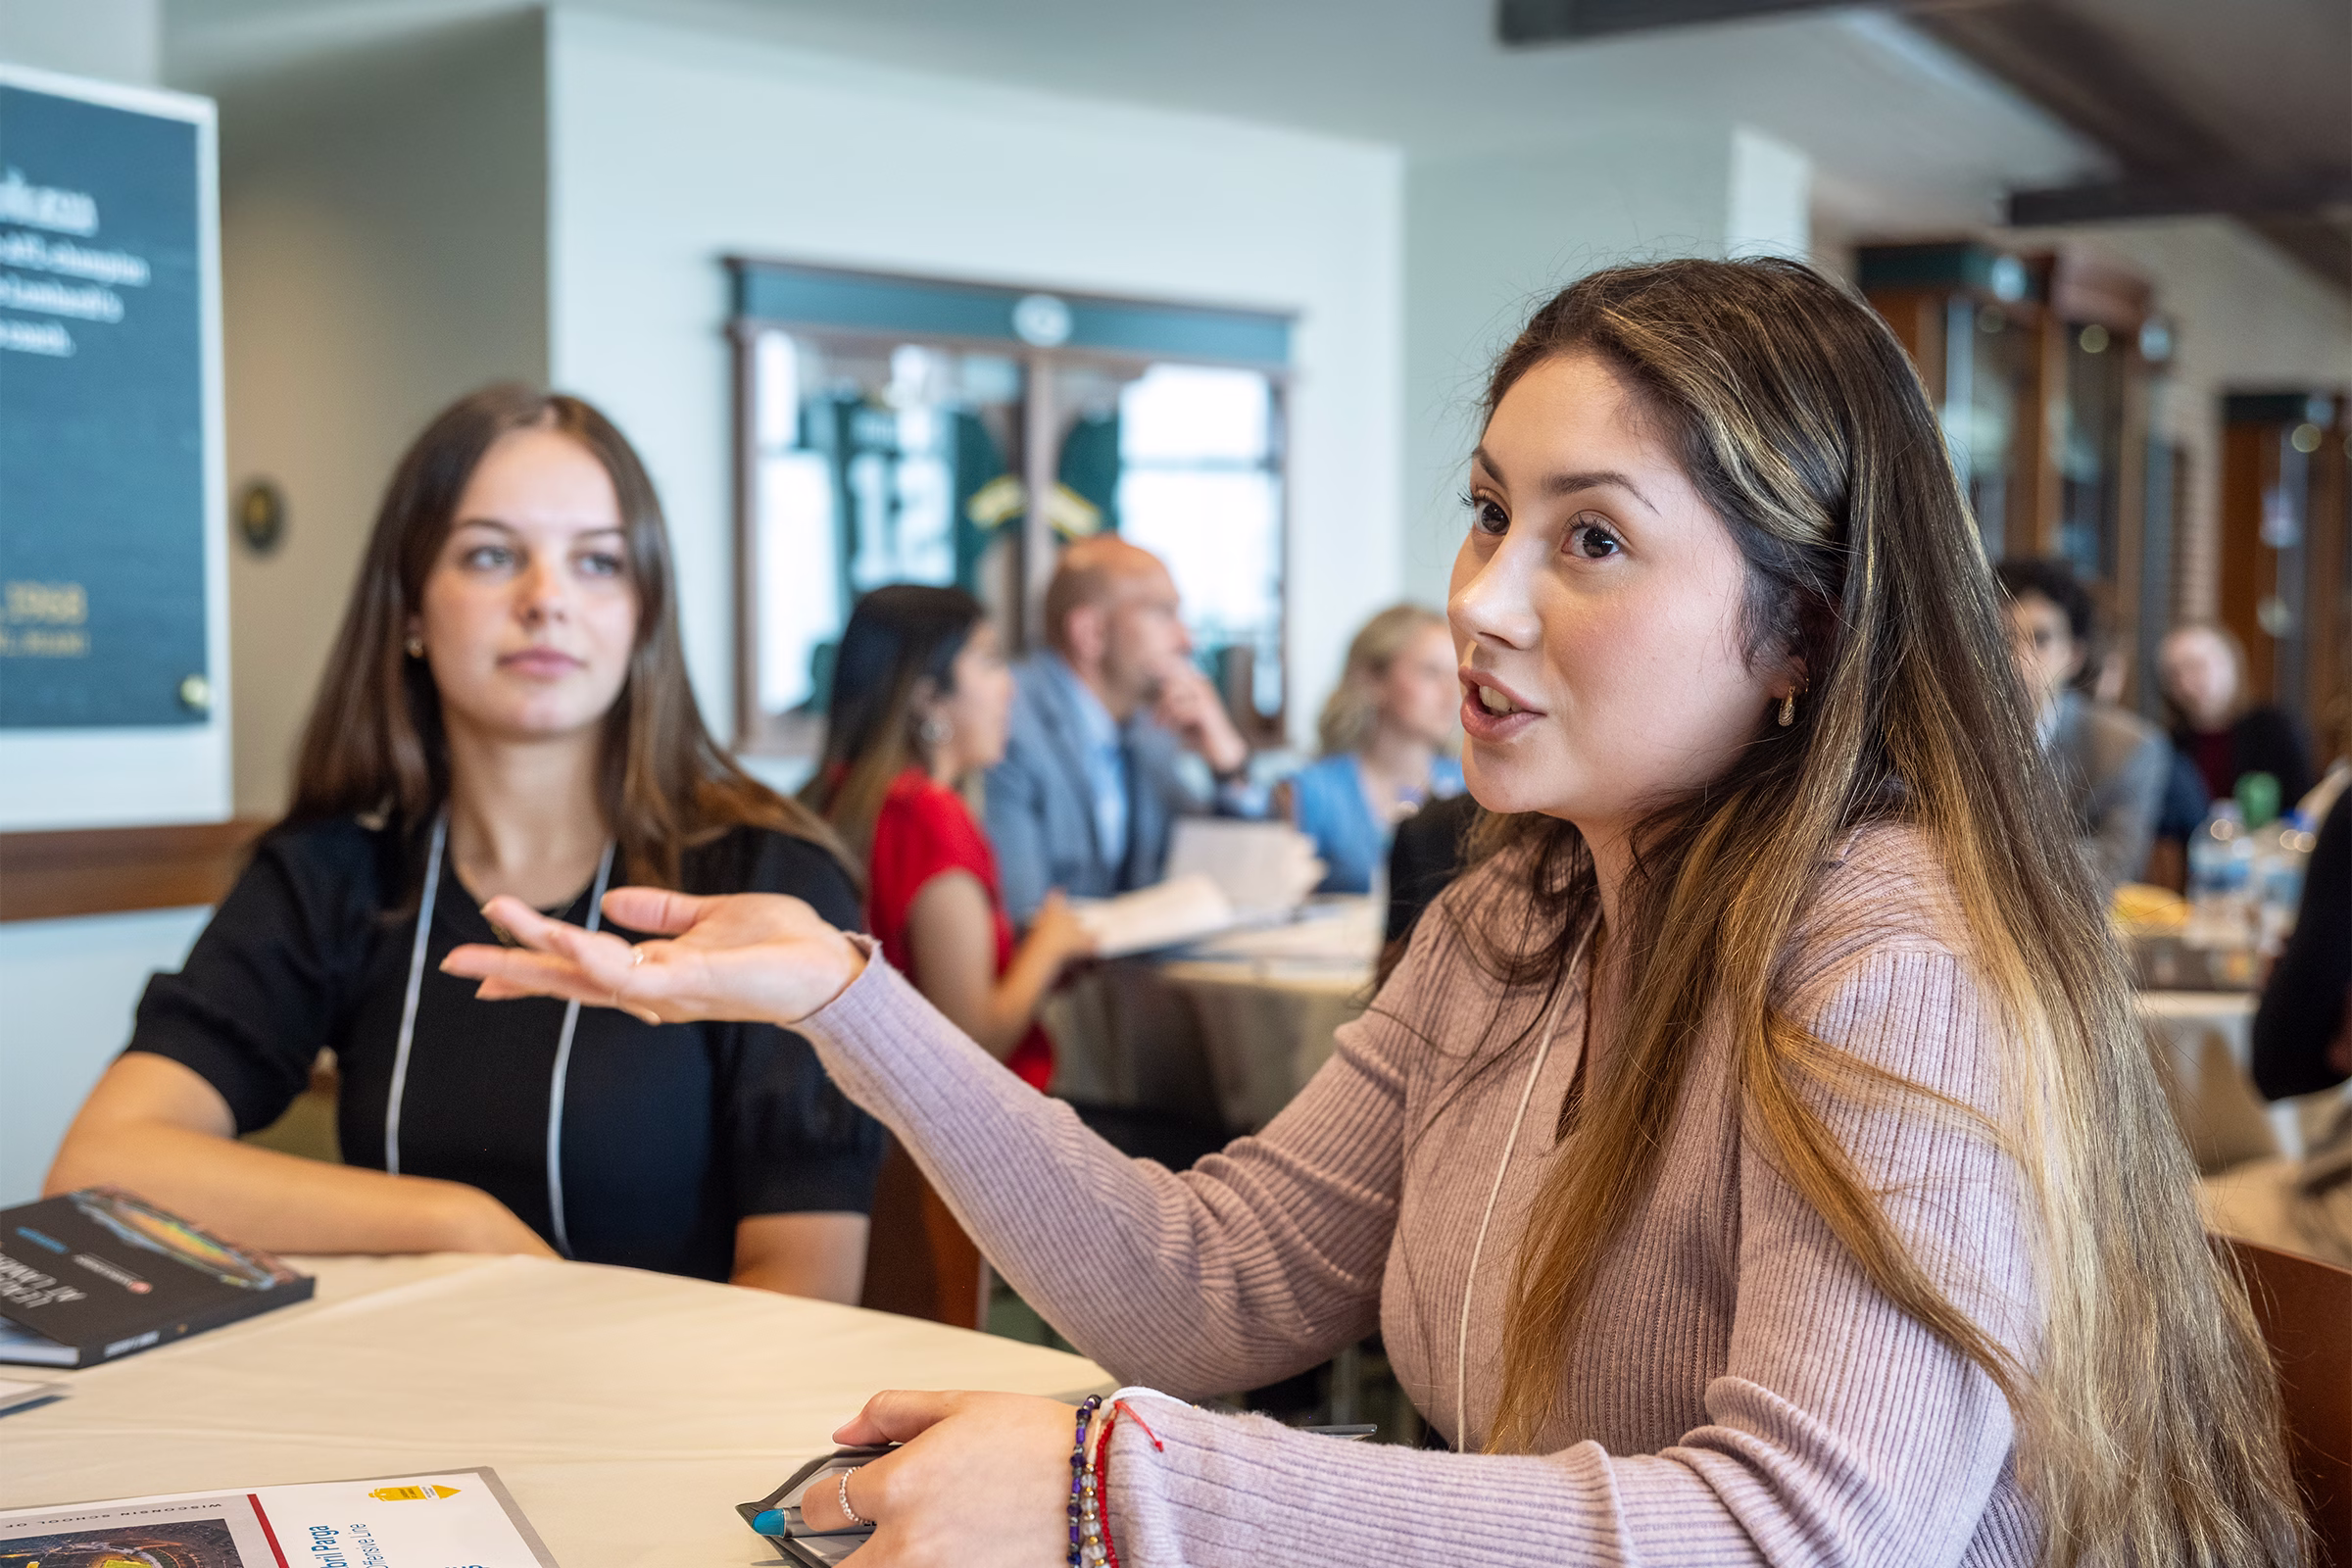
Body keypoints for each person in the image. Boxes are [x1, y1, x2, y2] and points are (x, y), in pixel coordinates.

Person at [446, 261, 2301, 1565]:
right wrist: (848, 1000)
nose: (1481, 601)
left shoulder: (1891, 957)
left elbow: (1800, 1537)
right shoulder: (1517, 919)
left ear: (1804, 632)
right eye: (1491, 514)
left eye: (1590, 540)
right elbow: (1208, 1286)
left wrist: (1119, 1495)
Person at [44, 385, 881, 1299]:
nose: (546, 600)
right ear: (409, 610)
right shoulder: (336, 871)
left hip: (685, 1431)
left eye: (597, 564)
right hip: (409, 1422)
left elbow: (806, 1300)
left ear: (643, 613)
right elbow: (102, 1166)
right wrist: (456, 1223)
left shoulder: (764, 883)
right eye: (490, 555)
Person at [801, 584, 1096, 1092]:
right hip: (964, 1148)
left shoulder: (832, 793)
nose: (1010, 688)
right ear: (928, 695)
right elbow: (970, 1043)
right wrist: (1050, 947)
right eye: (988, 662)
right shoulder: (929, 817)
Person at [985, 535, 1256, 925]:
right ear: (1090, 633)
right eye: (1164, 614)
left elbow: (1228, 885)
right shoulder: (1008, 723)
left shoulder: (1147, 729)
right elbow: (1021, 916)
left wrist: (1227, 764)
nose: (1187, 640)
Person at [1996, 558, 2168, 890]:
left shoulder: (2127, 747)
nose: (2015, 658)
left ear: (2074, 656)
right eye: (2001, 638)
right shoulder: (1949, 737)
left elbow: (2110, 868)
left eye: (2040, 639)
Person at [1275, 605, 1463, 895]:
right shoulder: (1309, 793)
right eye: (1431, 673)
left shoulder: (1472, 788)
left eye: (1456, 674)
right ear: (1374, 679)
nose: (1452, 693)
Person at [2160, 622, 2315, 808]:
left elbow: (2304, 806)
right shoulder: (2169, 744)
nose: (2185, 683)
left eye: (2195, 667)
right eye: (2174, 674)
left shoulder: (2273, 729)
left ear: (2228, 662)